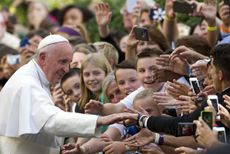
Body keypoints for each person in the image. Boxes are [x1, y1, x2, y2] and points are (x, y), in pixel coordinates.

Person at [0, 34, 136, 154]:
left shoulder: (33, 77)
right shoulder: (27, 83)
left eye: (69, 63)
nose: (66, 69)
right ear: (43, 58)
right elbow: (50, 120)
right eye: (62, 62)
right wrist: (99, 120)